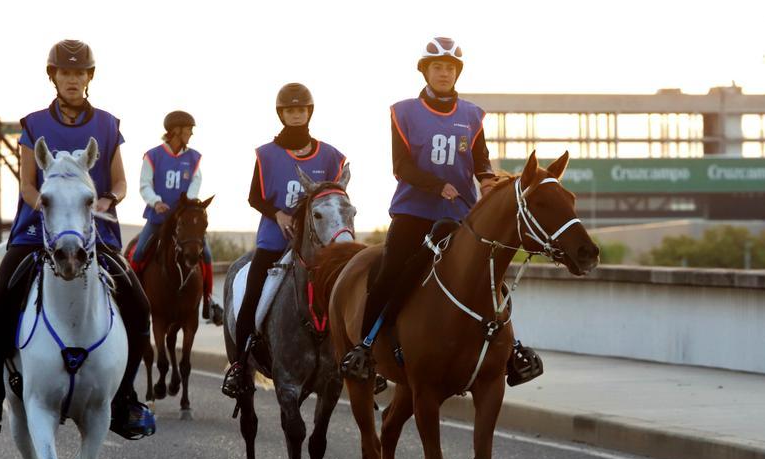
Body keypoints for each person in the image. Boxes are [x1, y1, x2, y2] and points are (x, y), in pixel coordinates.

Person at [0, 39, 156, 440]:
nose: (72, 79)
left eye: (79, 73)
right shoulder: (33, 124)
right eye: (64, 73)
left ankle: (126, 399)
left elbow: (119, 181)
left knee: (138, 305)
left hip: (95, 231)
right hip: (37, 231)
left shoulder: (107, 123)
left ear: (88, 78)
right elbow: (28, 185)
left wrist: (108, 199)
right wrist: (45, 207)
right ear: (54, 77)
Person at [339, 37, 543, 386]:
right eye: (438, 68)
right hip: (413, 212)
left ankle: (511, 351)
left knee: (488, 276)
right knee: (390, 274)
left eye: (450, 68)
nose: (444, 74)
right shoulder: (403, 112)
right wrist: (437, 185)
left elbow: (480, 161)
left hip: (460, 214)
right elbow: (401, 166)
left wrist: (488, 181)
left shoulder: (472, 116)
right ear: (426, 71)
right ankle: (365, 348)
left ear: (456, 73)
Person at [221, 83, 347, 398]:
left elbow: (337, 197)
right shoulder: (266, 154)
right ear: (282, 114)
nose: (295, 114)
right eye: (290, 110)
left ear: (309, 112)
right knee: (251, 295)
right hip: (274, 239)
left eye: (300, 109)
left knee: (352, 290)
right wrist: (277, 213)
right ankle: (239, 365)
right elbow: (253, 197)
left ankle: (362, 358)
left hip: (320, 246)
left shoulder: (330, 156)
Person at [131, 110, 222, 323]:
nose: (191, 133)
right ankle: (132, 299)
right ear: (176, 131)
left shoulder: (194, 158)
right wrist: (156, 201)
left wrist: (187, 202)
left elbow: (195, 183)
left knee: (206, 255)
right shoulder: (153, 155)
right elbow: (144, 185)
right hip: (158, 219)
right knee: (138, 254)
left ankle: (208, 301)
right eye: (189, 129)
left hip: (184, 221)